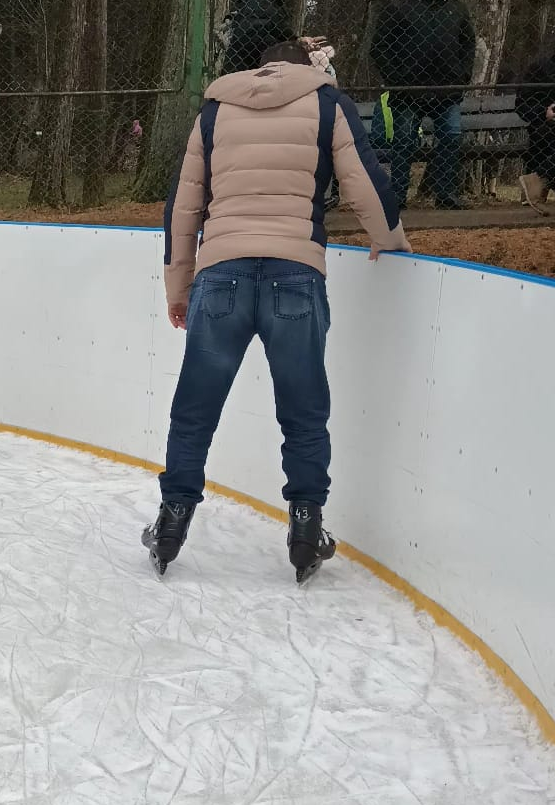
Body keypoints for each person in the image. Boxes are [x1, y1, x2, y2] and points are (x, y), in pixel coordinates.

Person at [144, 42, 410, 583]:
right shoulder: (327, 104)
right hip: (296, 273)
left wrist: (179, 286)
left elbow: (185, 204)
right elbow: (362, 179)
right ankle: (307, 524)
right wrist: (390, 238)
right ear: (304, 67)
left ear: (259, 67)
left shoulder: (215, 110)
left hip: (220, 276)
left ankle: (173, 517)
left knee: (195, 406)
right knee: (303, 409)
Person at [370, 0, 476, 210]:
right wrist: (397, 80)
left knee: (450, 137)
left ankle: (446, 194)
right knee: (404, 140)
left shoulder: (456, 7)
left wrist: (461, 77)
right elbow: (379, 48)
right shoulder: (397, 7)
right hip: (408, 92)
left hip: (446, 90)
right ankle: (397, 195)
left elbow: (468, 44)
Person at [516, 31, 555, 209]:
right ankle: (541, 180)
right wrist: (545, 113)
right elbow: (522, 104)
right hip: (547, 130)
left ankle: (539, 179)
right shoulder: (540, 68)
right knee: (543, 135)